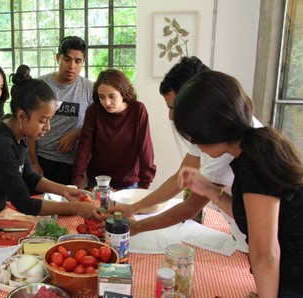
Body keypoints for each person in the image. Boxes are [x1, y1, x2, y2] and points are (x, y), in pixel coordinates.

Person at [174, 70, 303, 298]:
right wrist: (209, 189)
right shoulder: (258, 145)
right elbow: (254, 217)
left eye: (194, 136)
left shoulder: (255, 162)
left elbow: (265, 252)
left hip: (296, 287)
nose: (195, 145)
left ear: (208, 130)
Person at [0, 65, 102, 260]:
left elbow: (29, 176)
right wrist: (76, 208)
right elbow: (23, 203)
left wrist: (64, 190)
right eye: (43, 120)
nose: (48, 127)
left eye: (49, 120)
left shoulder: (16, 131)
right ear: (22, 115)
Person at [109, 56, 256, 253]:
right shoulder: (212, 133)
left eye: (174, 107)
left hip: (258, 241)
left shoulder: (224, 146)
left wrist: (136, 227)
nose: (170, 116)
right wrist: (134, 208)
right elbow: (180, 178)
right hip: (245, 232)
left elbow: (190, 207)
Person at [72, 69, 156, 190]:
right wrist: (75, 183)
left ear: (123, 93)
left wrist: (144, 186)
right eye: (102, 97)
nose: (107, 103)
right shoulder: (94, 110)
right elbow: (84, 148)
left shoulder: (138, 110)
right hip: (98, 182)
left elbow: (145, 149)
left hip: (128, 183)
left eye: (112, 96)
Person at [28, 36, 93, 185]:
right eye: (67, 59)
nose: (71, 66)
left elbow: (96, 126)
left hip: (72, 165)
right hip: (41, 159)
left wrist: (76, 133)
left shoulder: (90, 89)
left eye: (77, 61)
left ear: (83, 62)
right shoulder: (40, 85)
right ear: (58, 58)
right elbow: (29, 127)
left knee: (66, 207)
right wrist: (33, 163)